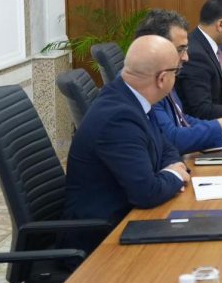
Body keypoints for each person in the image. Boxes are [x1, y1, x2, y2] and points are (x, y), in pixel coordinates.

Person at [62, 35, 189, 254]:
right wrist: (176, 175)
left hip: (128, 220)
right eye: (176, 71)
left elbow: (166, 146)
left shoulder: (131, 97)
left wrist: (171, 169)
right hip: (102, 242)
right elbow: (147, 192)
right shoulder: (119, 118)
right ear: (162, 79)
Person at [136, 9, 222, 154]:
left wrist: (220, 129)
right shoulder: (144, 85)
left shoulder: (164, 73)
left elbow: (182, 119)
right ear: (155, 48)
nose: (186, 57)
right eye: (180, 49)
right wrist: (219, 125)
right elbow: (171, 139)